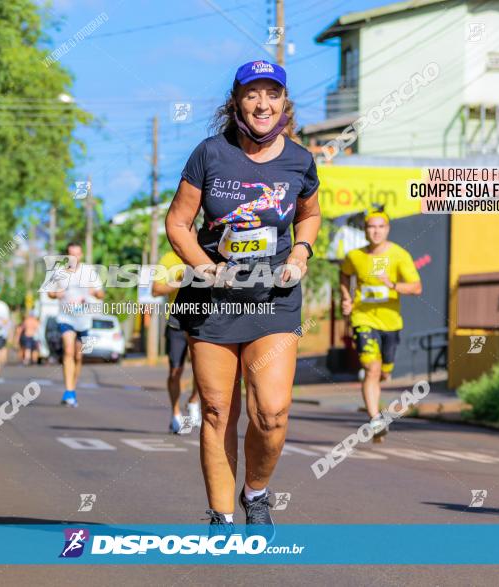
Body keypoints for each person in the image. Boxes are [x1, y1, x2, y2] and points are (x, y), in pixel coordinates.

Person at [165, 60, 321, 537]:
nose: (262, 103)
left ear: (283, 103)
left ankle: (255, 492)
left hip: (272, 297)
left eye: (271, 93)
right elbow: (177, 224)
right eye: (252, 94)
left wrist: (300, 251)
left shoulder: (299, 160)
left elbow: (310, 214)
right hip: (212, 298)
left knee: (271, 412)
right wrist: (204, 267)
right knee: (216, 409)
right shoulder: (209, 154)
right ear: (237, 102)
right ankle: (220, 516)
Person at [340, 210, 422, 441]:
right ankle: (375, 418)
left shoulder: (399, 255)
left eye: (380, 227)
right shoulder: (354, 256)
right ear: (365, 230)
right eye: (371, 227)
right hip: (363, 318)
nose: (375, 231)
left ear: (387, 229)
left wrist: (393, 285)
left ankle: (380, 379)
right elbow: (344, 275)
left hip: (390, 323)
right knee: (371, 368)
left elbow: (416, 288)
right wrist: (346, 298)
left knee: (384, 372)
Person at [46, 242, 104, 407]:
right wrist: (56, 294)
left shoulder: (89, 271)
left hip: (85, 319)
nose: (74, 257)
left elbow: (101, 293)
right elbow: (50, 292)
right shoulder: (58, 272)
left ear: (81, 255)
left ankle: (72, 387)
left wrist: (95, 292)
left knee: (79, 356)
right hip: (66, 318)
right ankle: (68, 390)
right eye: (71, 254)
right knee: (68, 350)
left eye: (77, 254)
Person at [152, 248, 201, 434]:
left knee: (202, 368)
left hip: (200, 320)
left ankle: (193, 401)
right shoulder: (168, 259)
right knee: (175, 371)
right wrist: (180, 282)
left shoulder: (202, 254)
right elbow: (156, 289)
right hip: (176, 321)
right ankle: (175, 414)